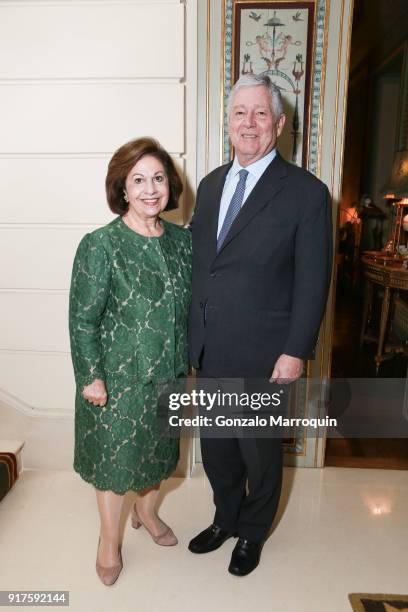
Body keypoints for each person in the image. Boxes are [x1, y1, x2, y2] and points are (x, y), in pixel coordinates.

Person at [188, 74, 333, 576]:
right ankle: (225, 517)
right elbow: (202, 266)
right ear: (228, 122)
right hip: (209, 349)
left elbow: (314, 282)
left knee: (260, 455)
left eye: (260, 113)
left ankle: (252, 533)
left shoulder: (307, 194)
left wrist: (295, 351)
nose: (248, 123)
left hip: (266, 354)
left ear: (279, 123)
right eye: (239, 113)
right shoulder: (208, 186)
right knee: (219, 451)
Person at [69, 137, 191, 586]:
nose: (149, 189)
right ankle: (108, 541)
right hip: (117, 381)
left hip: (168, 375)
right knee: (114, 465)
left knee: (159, 458)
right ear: (121, 188)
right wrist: (91, 377)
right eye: (137, 180)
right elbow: (82, 318)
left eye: (158, 178)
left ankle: (147, 513)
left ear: (170, 185)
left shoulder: (183, 243)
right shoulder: (100, 245)